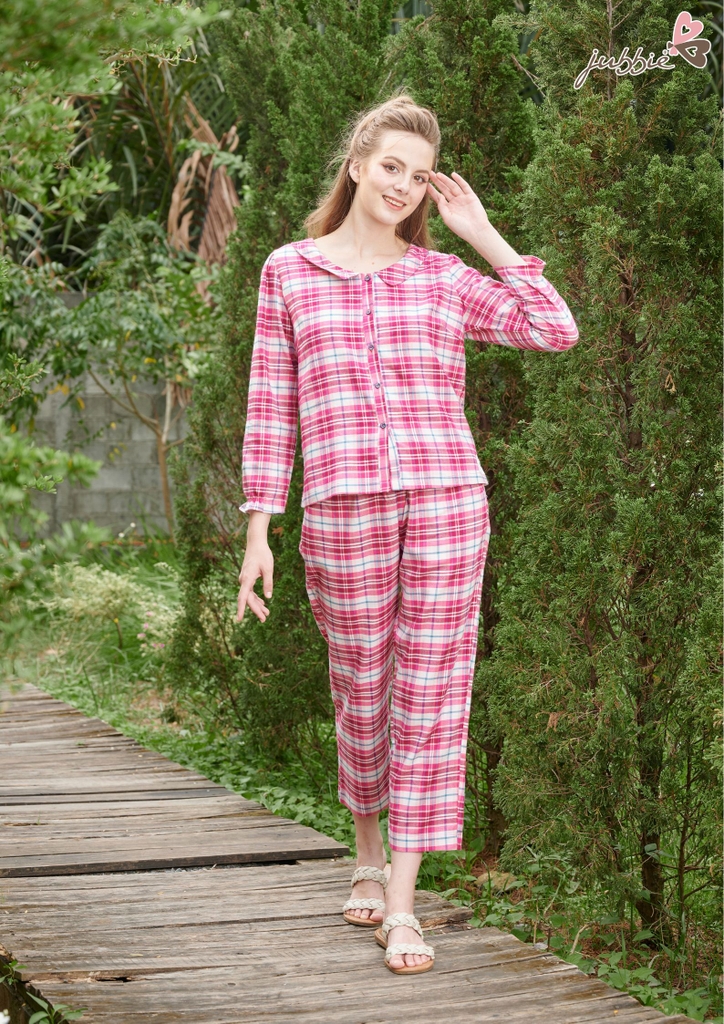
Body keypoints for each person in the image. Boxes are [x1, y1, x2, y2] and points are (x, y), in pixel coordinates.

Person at [235, 93, 579, 975]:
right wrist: (259, 530)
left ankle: (401, 902)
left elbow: (554, 329)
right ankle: (365, 850)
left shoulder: (442, 277)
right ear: (357, 165)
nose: (403, 185)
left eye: (419, 176)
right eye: (391, 166)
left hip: (447, 502)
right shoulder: (289, 271)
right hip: (343, 506)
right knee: (361, 687)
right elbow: (271, 403)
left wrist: (483, 235)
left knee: (430, 693)